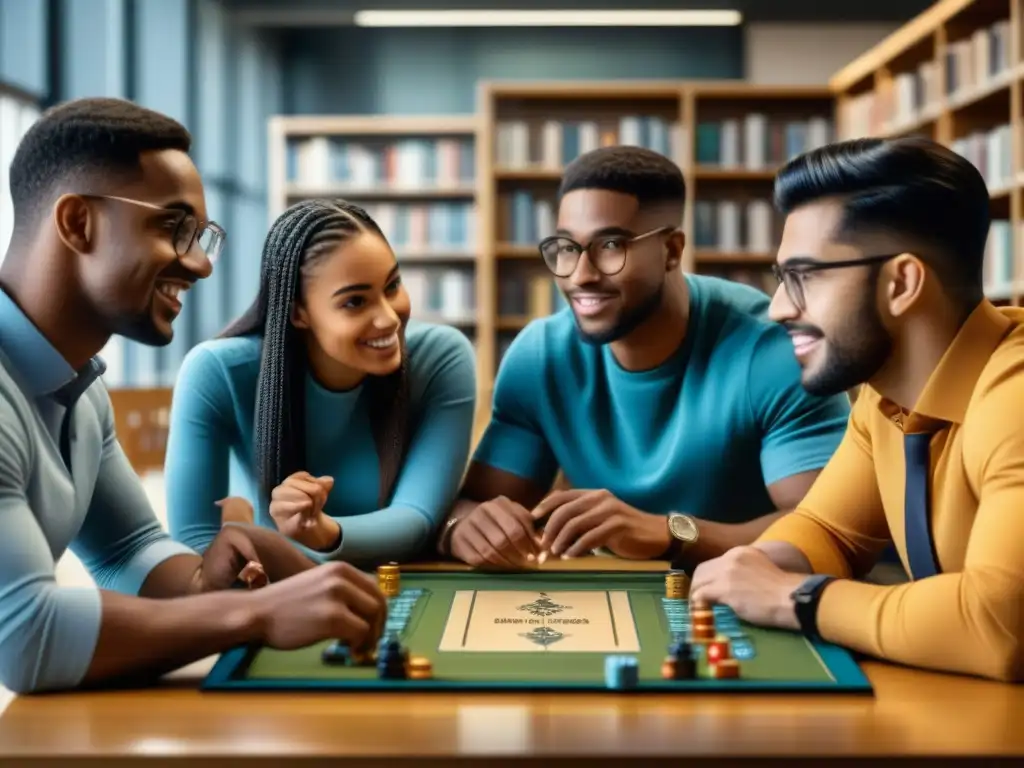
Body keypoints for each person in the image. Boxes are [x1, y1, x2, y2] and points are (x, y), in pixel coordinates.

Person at [0, 98, 386, 695]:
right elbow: (25, 637)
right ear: (78, 223)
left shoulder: (78, 385)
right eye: (174, 227)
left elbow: (128, 550)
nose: (202, 264)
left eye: (202, 235)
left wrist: (204, 584)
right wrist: (256, 614)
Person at [689, 136, 1024, 682]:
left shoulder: (1015, 398)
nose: (778, 309)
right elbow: (830, 530)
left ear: (901, 283)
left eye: (804, 277)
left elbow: (1000, 623)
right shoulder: (885, 397)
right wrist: (755, 567)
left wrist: (796, 599)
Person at [439, 145, 852, 569]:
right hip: (611, 598)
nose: (581, 275)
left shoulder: (773, 350)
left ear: (672, 250)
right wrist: (461, 526)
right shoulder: (540, 357)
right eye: (566, 247)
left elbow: (827, 533)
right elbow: (476, 503)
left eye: (611, 245)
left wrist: (669, 532)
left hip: (746, 599)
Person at [164, 198, 476, 566]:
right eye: (355, 302)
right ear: (299, 311)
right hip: (273, 594)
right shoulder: (216, 373)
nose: (389, 318)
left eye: (392, 286)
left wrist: (324, 533)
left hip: (395, 585)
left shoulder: (442, 359)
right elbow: (194, 539)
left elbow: (417, 520)